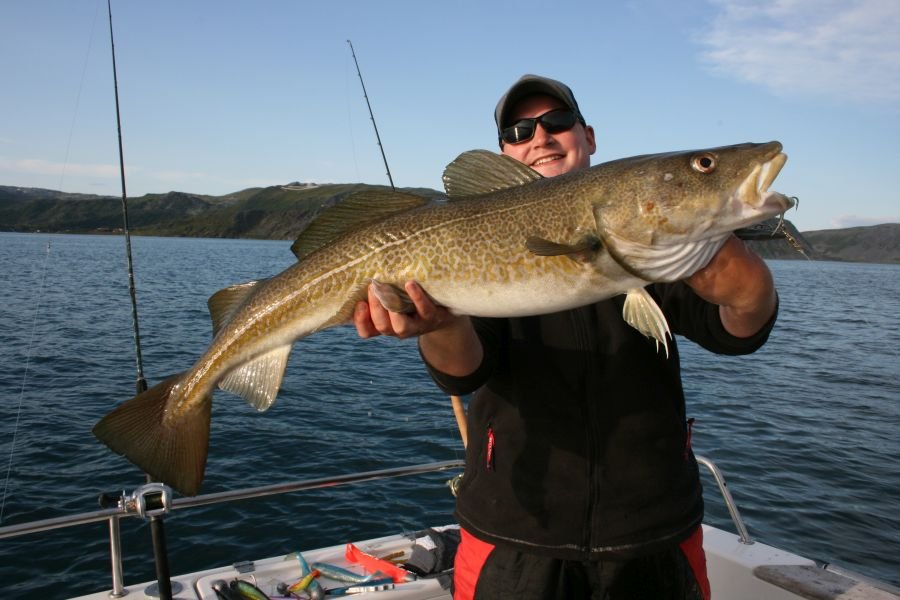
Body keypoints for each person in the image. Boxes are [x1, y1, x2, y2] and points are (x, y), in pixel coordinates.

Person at [353, 74, 779, 599]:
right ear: (503, 151)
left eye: (557, 123)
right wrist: (441, 325)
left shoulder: (662, 248)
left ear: (589, 136)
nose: (541, 137)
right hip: (513, 532)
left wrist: (752, 292)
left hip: (653, 529)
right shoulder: (472, 237)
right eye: (519, 130)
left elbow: (734, 332)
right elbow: (463, 371)